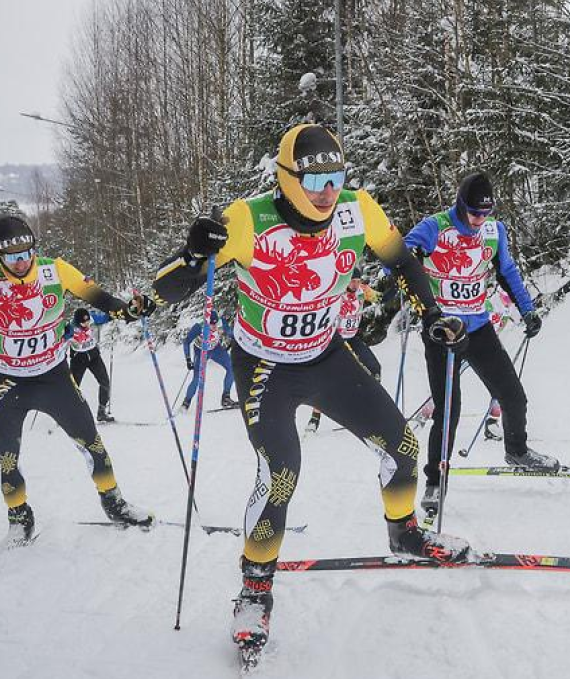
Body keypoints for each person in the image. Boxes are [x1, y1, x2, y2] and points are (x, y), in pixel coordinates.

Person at [149, 123, 474, 655]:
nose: (326, 189)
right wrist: (191, 256)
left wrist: (432, 312)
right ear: (286, 177)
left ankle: (405, 532)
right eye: (314, 177)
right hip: (263, 366)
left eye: (336, 175)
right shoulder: (247, 220)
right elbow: (166, 289)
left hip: (325, 354)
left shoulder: (356, 208)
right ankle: (255, 590)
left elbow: (404, 262)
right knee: (280, 474)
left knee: (404, 448)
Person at [0, 215, 157, 546]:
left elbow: (101, 299)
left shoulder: (54, 269)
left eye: (26, 253)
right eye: (12, 257)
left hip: (53, 376)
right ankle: (19, 519)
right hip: (8, 380)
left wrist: (131, 310)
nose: (21, 262)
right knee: (7, 454)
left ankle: (113, 502)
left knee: (91, 441)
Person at [399, 170, 553, 514]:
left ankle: (517, 451)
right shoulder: (435, 227)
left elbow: (507, 271)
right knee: (448, 410)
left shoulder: (493, 231)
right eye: (474, 213)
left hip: (479, 327)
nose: (479, 219)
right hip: (442, 330)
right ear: (460, 205)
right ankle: (435, 482)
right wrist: (405, 264)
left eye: (485, 213)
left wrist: (527, 311)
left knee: (513, 396)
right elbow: (400, 257)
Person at [306, 266, 381, 432]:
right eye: (352, 281)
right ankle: (315, 418)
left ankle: (374, 410)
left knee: (374, 368)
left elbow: (380, 298)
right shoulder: (337, 294)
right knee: (329, 378)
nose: (355, 284)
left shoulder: (363, 291)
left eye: (357, 281)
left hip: (353, 338)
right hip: (336, 340)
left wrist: (400, 289)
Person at [68, 308, 116, 422]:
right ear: (77, 321)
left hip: (94, 356)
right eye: (83, 322)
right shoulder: (70, 328)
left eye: (88, 321)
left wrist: (115, 315)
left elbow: (106, 317)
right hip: (78, 359)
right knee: (73, 387)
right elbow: (61, 340)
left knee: (105, 383)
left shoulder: (93, 318)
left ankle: (101, 412)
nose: (87, 324)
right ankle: (67, 414)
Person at [181, 310, 236, 410]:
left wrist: (233, 336)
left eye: (216, 323)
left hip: (216, 349)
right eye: (212, 324)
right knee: (197, 378)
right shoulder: (199, 326)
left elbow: (228, 332)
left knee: (232, 368)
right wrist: (188, 359)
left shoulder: (220, 322)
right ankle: (186, 403)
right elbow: (186, 342)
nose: (214, 326)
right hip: (201, 352)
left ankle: (226, 398)